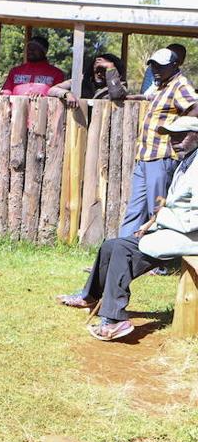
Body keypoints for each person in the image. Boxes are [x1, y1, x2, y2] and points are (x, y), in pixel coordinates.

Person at [57, 116, 198, 340]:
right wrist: (151, 223)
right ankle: (91, 296)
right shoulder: (186, 161)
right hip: (172, 230)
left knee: (124, 249)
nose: (174, 141)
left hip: (189, 237)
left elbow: (194, 218)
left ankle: (115, 321)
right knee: (111, 246)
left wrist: (161, 222)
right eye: (172, 136)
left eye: (181, 136)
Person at [119, 48, 198, 237]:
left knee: (158, 210)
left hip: (162, 156)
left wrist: (181, 128)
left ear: (174, 65)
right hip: (146, 156)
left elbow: (195, 105)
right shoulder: (162, 85)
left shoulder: (180, 84)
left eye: (161, 66)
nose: (156, 69)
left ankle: (160, 263)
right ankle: (119, 256)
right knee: (134, 210)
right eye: (153, 65)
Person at [45, 53, 128, 107]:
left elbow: (116, 95)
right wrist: (67, 94)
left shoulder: (119, 84)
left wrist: (110, 67)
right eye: (97, 71)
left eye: (104, 71)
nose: (99, 74)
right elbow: (52, 90)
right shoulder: (82, 80)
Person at [0, 35, 66, 96]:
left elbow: (59, 94)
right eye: (29, 48)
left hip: (43, 109)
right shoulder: (15, 71)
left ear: (44, 51)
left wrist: (44, 96)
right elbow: (8, 91)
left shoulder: (56, 73)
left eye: (35, 49)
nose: (30, 51)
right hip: (17, 110)